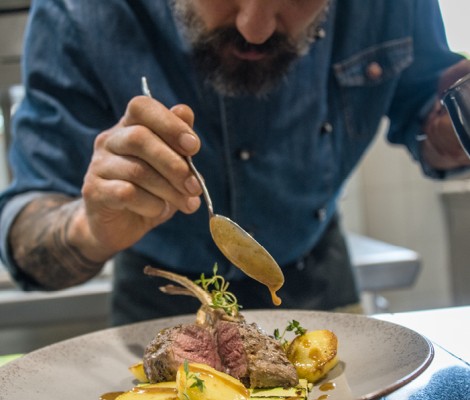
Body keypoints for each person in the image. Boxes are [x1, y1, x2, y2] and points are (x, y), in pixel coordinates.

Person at [1, 0, 469, 325]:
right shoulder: (79, 12)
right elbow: (24, 232)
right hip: (161, 303)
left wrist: (453, 126)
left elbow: (425, 108)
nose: (255, 29)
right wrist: (90, 228)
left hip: (321, 285)